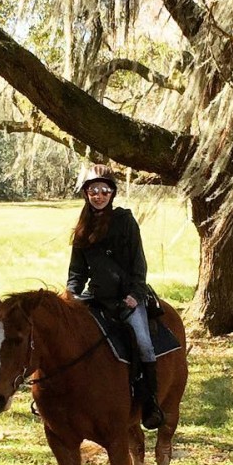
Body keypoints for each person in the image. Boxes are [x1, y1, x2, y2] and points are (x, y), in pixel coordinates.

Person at [66, 164, 164, 430]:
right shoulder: (82, 228)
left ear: (112, 193)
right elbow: (76, 271)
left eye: (104, 190)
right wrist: (71, 296)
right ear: (86, 193)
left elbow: (138, 263)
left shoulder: (125, 221)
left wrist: (135, 294)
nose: (98, 195)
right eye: (93, 190)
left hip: (128, 299)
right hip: (96, 297)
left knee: (143, 343)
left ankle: (150, 403)